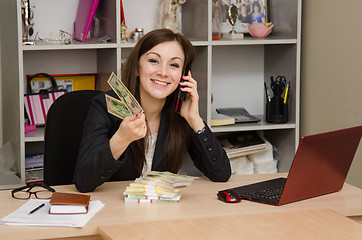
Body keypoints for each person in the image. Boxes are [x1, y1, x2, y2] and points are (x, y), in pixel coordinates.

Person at [74, 29, 231, 193]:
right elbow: (83, 181)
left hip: (159, 210)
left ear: (183, 76)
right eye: (154, 61)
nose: (163, 72)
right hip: (115, 210)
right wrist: (121, 139)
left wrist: (195, 120)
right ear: (136, 67)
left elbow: (221, 174)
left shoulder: (181, 114)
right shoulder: (104, 106)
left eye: (174, 65)